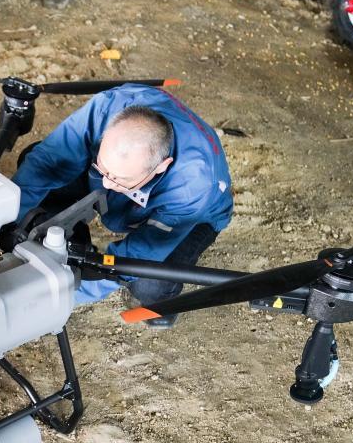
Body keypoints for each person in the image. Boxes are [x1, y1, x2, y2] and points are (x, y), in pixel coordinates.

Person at [12, 84, 233, 328]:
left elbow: (138, 254)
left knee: (149, 285)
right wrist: (5, 224)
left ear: (161, 166)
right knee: (38, 160)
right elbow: (45, 164)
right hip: (133, 186)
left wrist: (60, 297)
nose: (106, 183)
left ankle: (163, 303)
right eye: (103, 168)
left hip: (196, 217)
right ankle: (73, 245)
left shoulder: (194, 185)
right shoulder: (106, 108)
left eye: (119, 179)